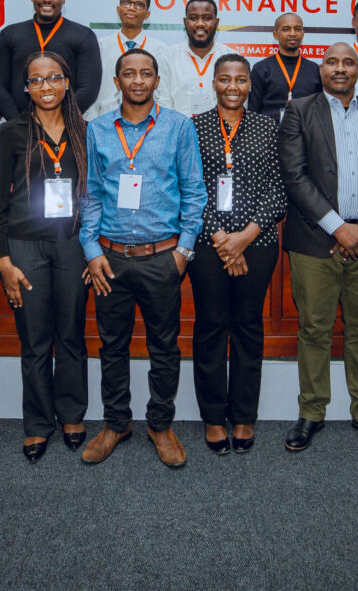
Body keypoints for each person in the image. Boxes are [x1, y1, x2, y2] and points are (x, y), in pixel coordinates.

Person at [278, 42, 358, 455]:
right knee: (314, 330)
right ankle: (312, 411)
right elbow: (294, 176)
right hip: (316, 243)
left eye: (348, 62)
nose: (340, 68)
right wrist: (338, 228)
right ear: (321, 70)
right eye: (332, 61)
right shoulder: (299, 110)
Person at [78, 48, 205, 468]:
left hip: (162, 258)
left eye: (145, 74)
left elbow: (194, 192)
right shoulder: (96, 129)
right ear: (116, 82)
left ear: (156, 81)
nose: (137, 80)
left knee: (163, 347)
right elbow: (91, 196)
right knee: (111, 346)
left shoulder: (178, 128)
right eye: (129, 74)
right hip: (109, 260)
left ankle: (160, 424)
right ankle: (116, 423)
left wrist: (183, 252)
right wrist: (92, 250)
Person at [0, 52, 91, 464]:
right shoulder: (10, 132)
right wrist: (3, 260)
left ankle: (71, 414)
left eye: (54, 78)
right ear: (26, 88)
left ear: (67, 81)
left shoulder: (85, 130)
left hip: (72, 243)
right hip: (25, 246)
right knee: (34, 339)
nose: (46, 86)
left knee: (70, 333)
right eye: (36, 80)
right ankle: (36, 423)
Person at [190, 54, 286, 454]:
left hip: (258, 244)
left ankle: (244, 415)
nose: (233, 86)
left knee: (248, 327)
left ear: (250, 84)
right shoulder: (193, 126)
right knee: (211, 326)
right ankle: (214, 416)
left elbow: (278, 189)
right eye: (225, 79)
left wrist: (244, 237)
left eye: (241, 80)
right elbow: (191, 187)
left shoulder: (267, 126)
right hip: (208, 245)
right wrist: (223, 239)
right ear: (213, 83)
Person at [0, 0, 102, 118]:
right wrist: (18, 123)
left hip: (65, 126)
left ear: (63, 0)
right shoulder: (10, 34)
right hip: (18, 127)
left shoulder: (83, 35)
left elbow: (88, 89)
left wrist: (57, 120)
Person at [84, 0, 172, 122]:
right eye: (126, 3)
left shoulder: (160, 49)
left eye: (138, 5)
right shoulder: (100, 47)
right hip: (106, 124)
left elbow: (164, 96)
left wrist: (162, 126)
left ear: (147, 14)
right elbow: (91, 92)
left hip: (148, 126)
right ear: (118, 10)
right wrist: (92, 124)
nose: (131, 8)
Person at [248, 12, 321, 120]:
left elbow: (319, 109)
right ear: (276, 35)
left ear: (303, 33)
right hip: (269, 134)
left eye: (297, 29)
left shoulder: (314, 69)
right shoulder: (262, 68)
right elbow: (253, 110)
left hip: (305, 134)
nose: (293, 33)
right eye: (286, 29)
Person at [167, 0, 225, 116]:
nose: (200, 24)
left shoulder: (230, 57)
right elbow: (162, 101)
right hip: (178, 132)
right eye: (193, 18)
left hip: (220, 132)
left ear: (216, 22)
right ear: (185, 22)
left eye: (207, 18)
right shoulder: (168, 56)